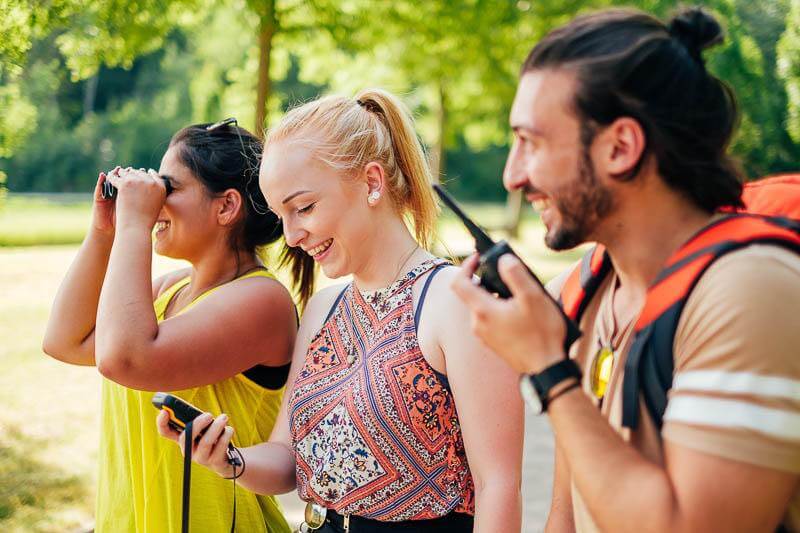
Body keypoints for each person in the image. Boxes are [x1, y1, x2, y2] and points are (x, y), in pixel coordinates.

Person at [452, 7, 800, 533]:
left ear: (621, 147)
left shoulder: (750, 292)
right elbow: (566, 515)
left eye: (533, 142)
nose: (512, 175)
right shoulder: (589, 289)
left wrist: (550, 370)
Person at [158, 89, 524, 532]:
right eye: (281, 215)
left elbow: (499, 486)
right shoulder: (322, 309)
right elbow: (288, 458)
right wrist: (228, 459)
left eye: (304, 207)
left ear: (372, 182)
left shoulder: (454, 301)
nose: (292, 236)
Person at [42, 121, 312, 532]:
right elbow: (64, 340)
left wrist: (135, 224)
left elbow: (123, 359)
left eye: (168, 188)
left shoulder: (262, 301)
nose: (154, 202)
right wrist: (106, 231)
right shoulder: (172, 290)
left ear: (226, 207)